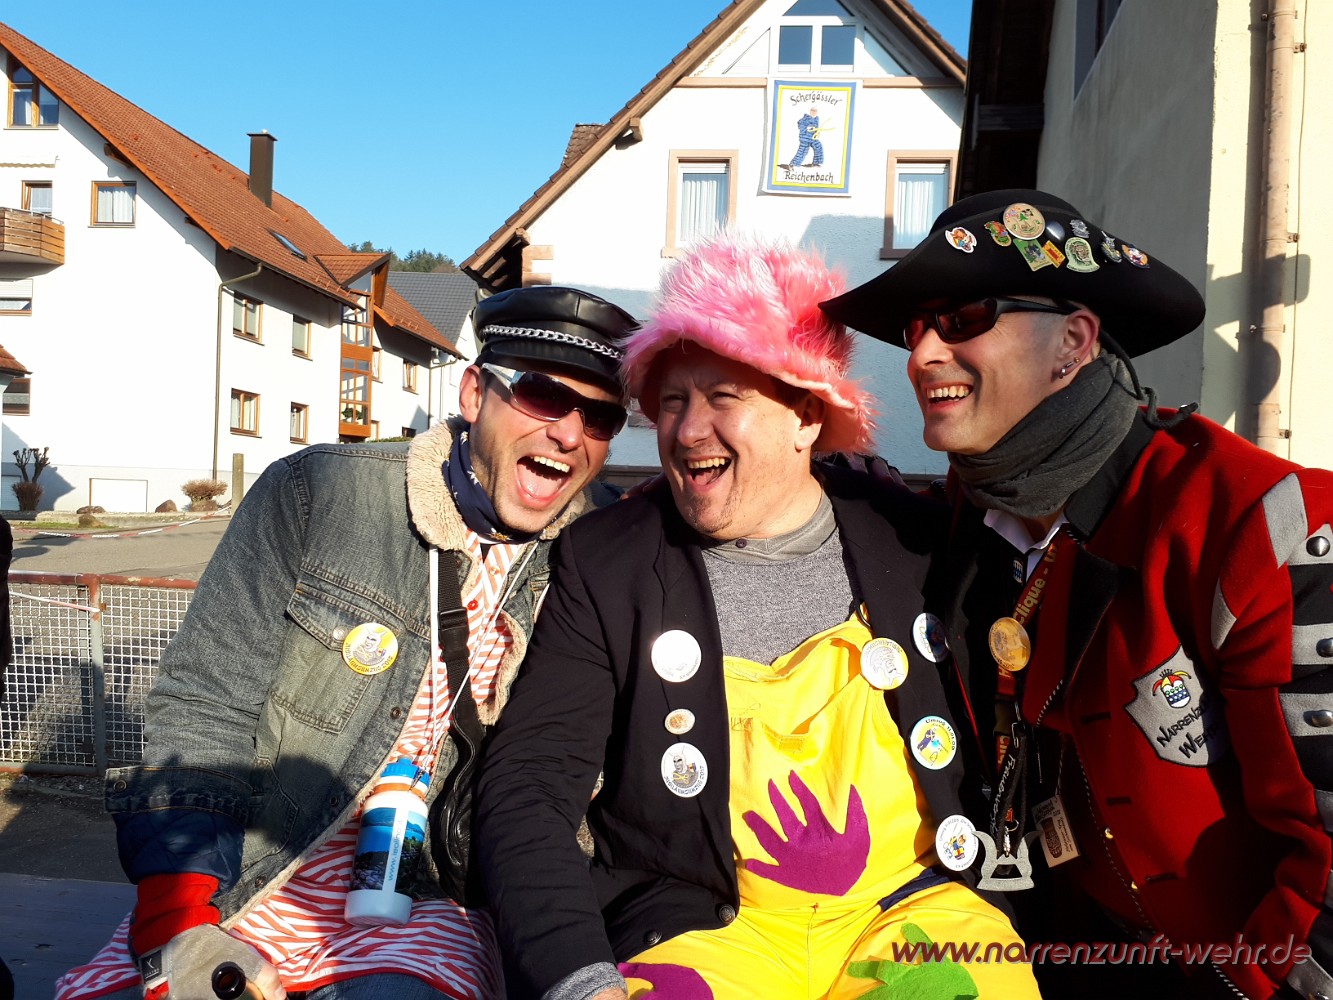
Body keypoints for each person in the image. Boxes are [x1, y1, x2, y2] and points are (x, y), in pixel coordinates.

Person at [475, 233, 1042, 1000]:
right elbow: (529, 787)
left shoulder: (911, 537)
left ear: (806, 415)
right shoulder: (607, 562)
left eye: (723, 397)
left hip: (911, 914)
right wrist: (577, 976)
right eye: (671, 401)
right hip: (702, 936)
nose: (688, 430)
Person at [55, 285, 638, 1000]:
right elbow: (206, 701)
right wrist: (180, 917)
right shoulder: (317, 494)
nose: (570, 435)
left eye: (602, 417)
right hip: (256, 874)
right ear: (473, 393)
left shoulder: (603, 555)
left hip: (435, 903)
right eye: (543, 396)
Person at [821, 188, 1333, 999]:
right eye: (914, 330)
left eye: (962, 318)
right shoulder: (959, 524)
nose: (920, 355)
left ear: (1073, 340)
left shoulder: (1257, 522)